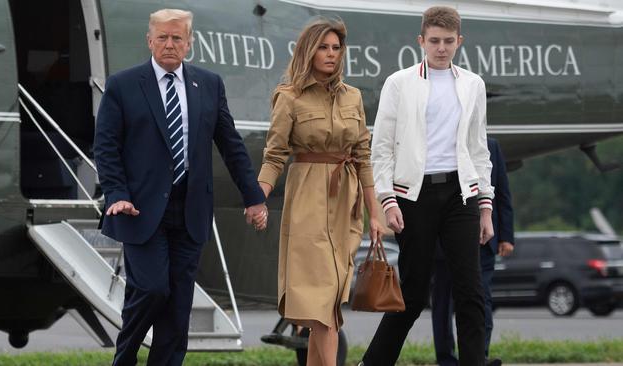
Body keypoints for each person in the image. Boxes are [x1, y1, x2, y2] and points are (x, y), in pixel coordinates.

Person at [93, 9, 267, 366]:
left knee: (178, 305)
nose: (169, 45)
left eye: (177, 38)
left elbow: (231, 145)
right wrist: (117, 193)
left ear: (189, 43)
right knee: (153, 288)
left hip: (190, 209)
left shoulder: (209, 84)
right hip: (139, 209)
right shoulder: (124, 84)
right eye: (162, 37)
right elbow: (106, 146)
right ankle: (124, 358)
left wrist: (254, 197)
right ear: (149, 41)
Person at [360, 6, 494, 366]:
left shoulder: (472, 84)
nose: (441, 48)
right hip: (413, 197)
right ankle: (372, 363)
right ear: (421, 41)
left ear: (459, 42)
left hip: (460, 194)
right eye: (434, 41)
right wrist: (388, 201)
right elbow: (381, 148)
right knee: (414, 293)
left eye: (449, 41)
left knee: (471, 290)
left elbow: (478, 149)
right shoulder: (399, 83)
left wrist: (485, 207)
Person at [257, 17, 382, 366]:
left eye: (336, 48)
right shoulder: (289, 97)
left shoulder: (353, 96)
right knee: (323, 310)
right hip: (308, 202)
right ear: (308, 52)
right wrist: (258, 198)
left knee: (327, 309)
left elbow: (363, 157)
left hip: (348, 204)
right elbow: (275, 155)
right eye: (323, 47)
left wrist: (375, 213)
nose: (330, 54)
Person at [431, 137, 515, 366]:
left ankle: (480, 356)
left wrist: (506, 235)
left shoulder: (492, 145)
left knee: (482, 300)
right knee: (443, 304)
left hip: (483, 242)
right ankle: (446, 358)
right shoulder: (440, 142)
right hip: (445, 243)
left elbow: (502, 190)